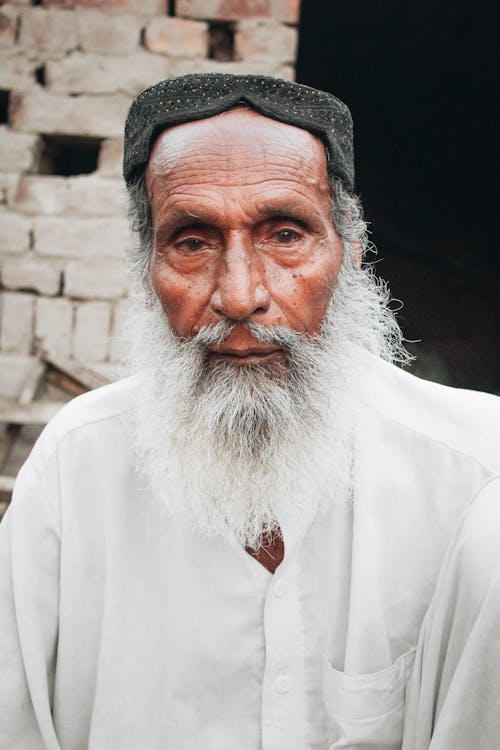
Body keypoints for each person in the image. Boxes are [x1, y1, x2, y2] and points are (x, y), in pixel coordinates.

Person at [0, 73, 499, 750]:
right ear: (146, 264)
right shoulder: (74, 471)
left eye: (285, 234)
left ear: (349, 251)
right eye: (193, 241)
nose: (239, 295)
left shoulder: (475, 477)